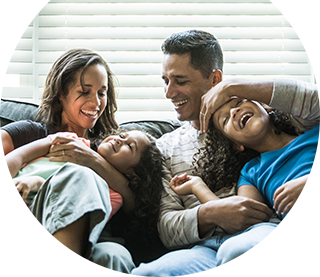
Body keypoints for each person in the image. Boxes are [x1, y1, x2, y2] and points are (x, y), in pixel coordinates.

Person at [130, 30, 306, 277]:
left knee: (240, 254)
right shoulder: (164, 147)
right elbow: (167, 226)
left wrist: (235, 89)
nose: (169, 93)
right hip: (205, 249)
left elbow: (311, 101)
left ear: (215, 79)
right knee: (145, 275)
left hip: (264, 233)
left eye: (180, 80)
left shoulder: (251, 118)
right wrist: (212, 213)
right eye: (165, 81)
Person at [0, 49, 136, 276]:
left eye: (102, 93)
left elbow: (136, 205)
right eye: (84, 92)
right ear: (61, 94)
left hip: (92, 237)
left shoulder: (111, 149)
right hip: (26, 234)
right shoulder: (33, 132)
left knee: (115, 256)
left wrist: (92, 160)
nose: (95, 102)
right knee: (78, 176)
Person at [171, 81, 320, 276]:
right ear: (236, 145)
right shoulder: (251, 173)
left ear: (265, 106)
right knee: (300, 265)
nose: (234, 112)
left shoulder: (312, 133)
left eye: (239, 102)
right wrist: (198, 187)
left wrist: (315, 182)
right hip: (312, 246)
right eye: (225, 120)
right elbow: (242, 217)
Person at [1, 129, 164, 272]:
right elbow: (17, 155)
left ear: (132, 174)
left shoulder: (113, 195)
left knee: (114, 255)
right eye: (122, 135)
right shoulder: (71, 140)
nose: (119, 139)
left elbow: (77, 220)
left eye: (129, 146)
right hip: (16, 226)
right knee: (82, 175)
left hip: (44, 235)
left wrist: (39, 183)